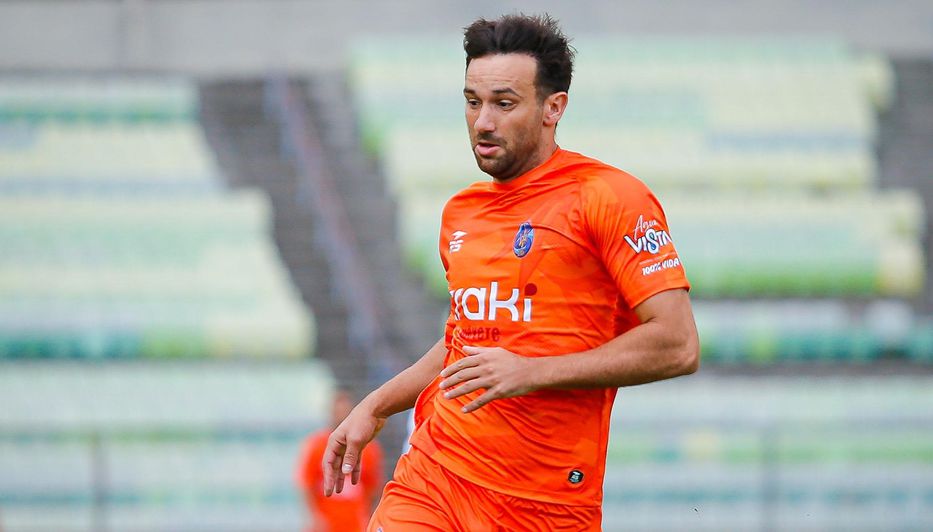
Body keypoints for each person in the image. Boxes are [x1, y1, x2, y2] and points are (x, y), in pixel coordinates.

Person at [323, 13, 699, 531]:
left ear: (553, 108)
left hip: (543, 505)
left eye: (504, 104)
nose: (483, 122)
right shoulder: (461, 213)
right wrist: (377, 405)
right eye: (472, 102)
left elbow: (677, 345)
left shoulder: (609, 198)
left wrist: (531, 372)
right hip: (436, 476)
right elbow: (464, 341)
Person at [297, 388, 384, 532]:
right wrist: (316, 517)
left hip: (355, 525)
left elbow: (373, 487)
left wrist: (366, 515)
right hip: (326, 525)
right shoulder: (317, 445)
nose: (341, 416)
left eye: (345, 411)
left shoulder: (369, 448)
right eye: (338, 411)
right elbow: (306, 484)